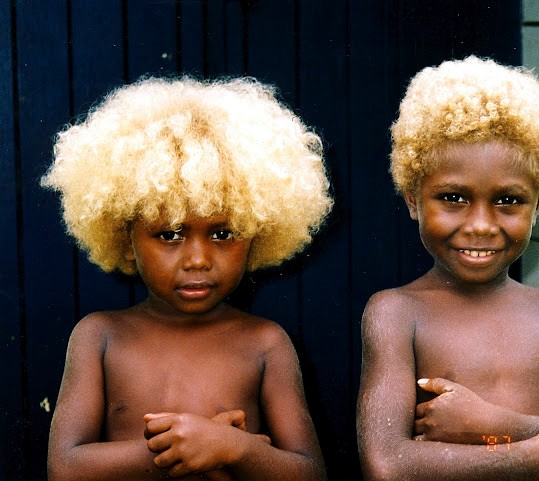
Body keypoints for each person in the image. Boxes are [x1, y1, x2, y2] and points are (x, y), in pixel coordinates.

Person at [42, 76, 332, 481]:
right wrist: (190, 445)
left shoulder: (265, 342)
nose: (198, 259)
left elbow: (309, 472)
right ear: (126, 240)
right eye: (170, 235)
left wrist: (233, 447)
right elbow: (66, 468)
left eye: (222, 233)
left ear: (259, 234)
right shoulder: (100, 336)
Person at [356, 56, 539, 481]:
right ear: (412, 199)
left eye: (508, 201)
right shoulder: (396, 313)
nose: (481, 225)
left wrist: (496, 426)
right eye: (453, 197)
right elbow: (387, 465)